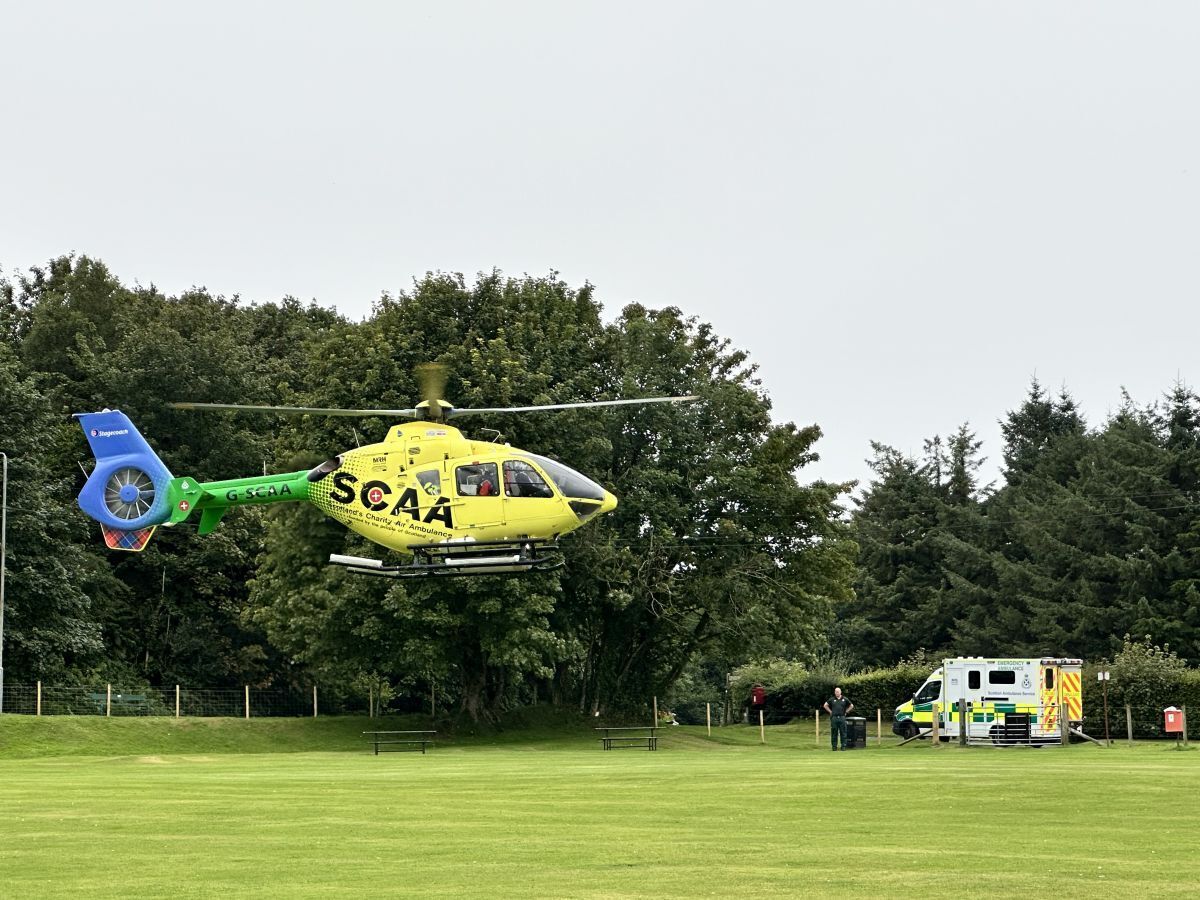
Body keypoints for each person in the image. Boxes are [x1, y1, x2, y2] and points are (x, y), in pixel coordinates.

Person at [823, 687, 854, 751]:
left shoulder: (845, 699)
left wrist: (846, 711)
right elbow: (825, 705)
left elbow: (851, 705)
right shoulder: (832, 699)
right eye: (836, 691)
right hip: (834, 718)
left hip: (842, 717)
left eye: (838, 691)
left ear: (840, 692)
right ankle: (834, 747)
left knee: (843, 732)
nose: (837, 693)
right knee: (834, 733)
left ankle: (843, 747)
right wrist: (830, 712)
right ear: (834, 692)